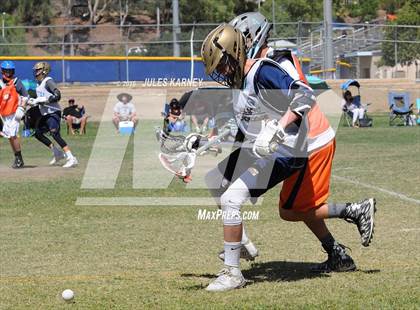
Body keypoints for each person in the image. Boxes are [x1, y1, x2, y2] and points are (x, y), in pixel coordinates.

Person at [201, 24, 376, 292]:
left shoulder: (264, 71)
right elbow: (246, 130)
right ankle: (242, 247)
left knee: (236, 198)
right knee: (217, 181)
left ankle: (233, 273)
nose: (221, 73)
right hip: (267, 147)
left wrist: (279, 129)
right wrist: (202, 142)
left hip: (288, 148)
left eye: (222, 65)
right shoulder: (242, 82)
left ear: (236, 52)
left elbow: (304, 96)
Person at [29, 62, 78, 168]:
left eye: (38, 70)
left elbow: (57, 95)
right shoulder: (38, 84)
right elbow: (37, 97)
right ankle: (57, 153)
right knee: (37, 133)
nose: (36, 72)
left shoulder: (48, 81)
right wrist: (32, 100)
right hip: (45, 114)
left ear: (44, 70)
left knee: (54, 134)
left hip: (53, 112)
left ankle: (71, 158)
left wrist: (43, 100)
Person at [0, 60, 28, 168]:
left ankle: (19, 159)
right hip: (5, 115)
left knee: (13, 135)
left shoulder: (16, 82)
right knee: (10, 137)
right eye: (6, 71)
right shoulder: (0, 83)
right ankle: (17, 158)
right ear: (2, 71)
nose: (8, 73)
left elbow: (25, 96)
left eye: (10, 71)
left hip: (14, 113)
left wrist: (22, 107)